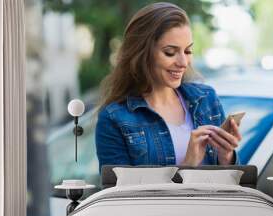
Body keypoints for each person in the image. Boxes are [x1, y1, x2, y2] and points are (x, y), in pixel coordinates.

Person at [96, 2, 242, 171]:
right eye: (170, 52)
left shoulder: (206, 100)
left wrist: (227, 158)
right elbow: (118, 195)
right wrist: (186, 167)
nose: (183, 63)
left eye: (187, 51)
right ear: (142, 53)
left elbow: (232, 187)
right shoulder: (114, 118)